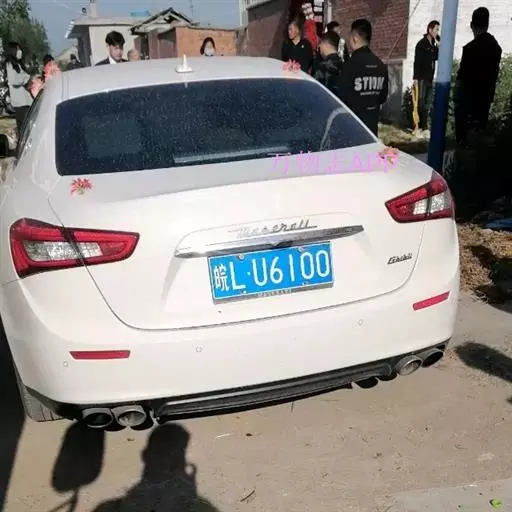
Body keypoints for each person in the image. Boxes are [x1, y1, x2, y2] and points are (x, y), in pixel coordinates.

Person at [454, 7, 502, 145]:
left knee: (467, 137)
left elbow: (462, 78)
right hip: (485, 96)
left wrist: (457, 96)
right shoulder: (495, 47)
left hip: (469, 98)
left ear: (471, 25)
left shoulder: (470, 49)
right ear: (487, 24)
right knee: (479, 131)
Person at [337, 19, 389, 136]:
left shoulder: (350, 65)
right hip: (372, 129)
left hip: (352, 129)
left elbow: (341, 97)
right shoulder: (380, 65)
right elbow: (382, 97)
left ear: (355, 38)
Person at [412, 20, 440, 139]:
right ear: (430, 29)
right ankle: (417, 127)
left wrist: (439, 42)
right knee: (420, 102)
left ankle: (425, 128)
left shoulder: (433, 45)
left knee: (427, 104)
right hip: (421, 77)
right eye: (436, 29)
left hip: (429, 77)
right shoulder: (422, 44)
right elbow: (417, 61)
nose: (437, 32)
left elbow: (437, 57)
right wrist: (415, 77)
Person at [4, 41, 33, 136]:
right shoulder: (9, 64)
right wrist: (27, 78)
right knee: (25, 131)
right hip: (20, 104)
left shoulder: (17, 64)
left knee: (27, 130)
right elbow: (14, 80)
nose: (20, 51)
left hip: (25, 102)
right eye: (18, 49)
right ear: (13, 51)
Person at [313, 31, 343, 96]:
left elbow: (314, 90)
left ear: (326, 44)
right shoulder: (344, 65)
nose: (319, 46)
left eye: (320, 43)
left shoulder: (323, 66)